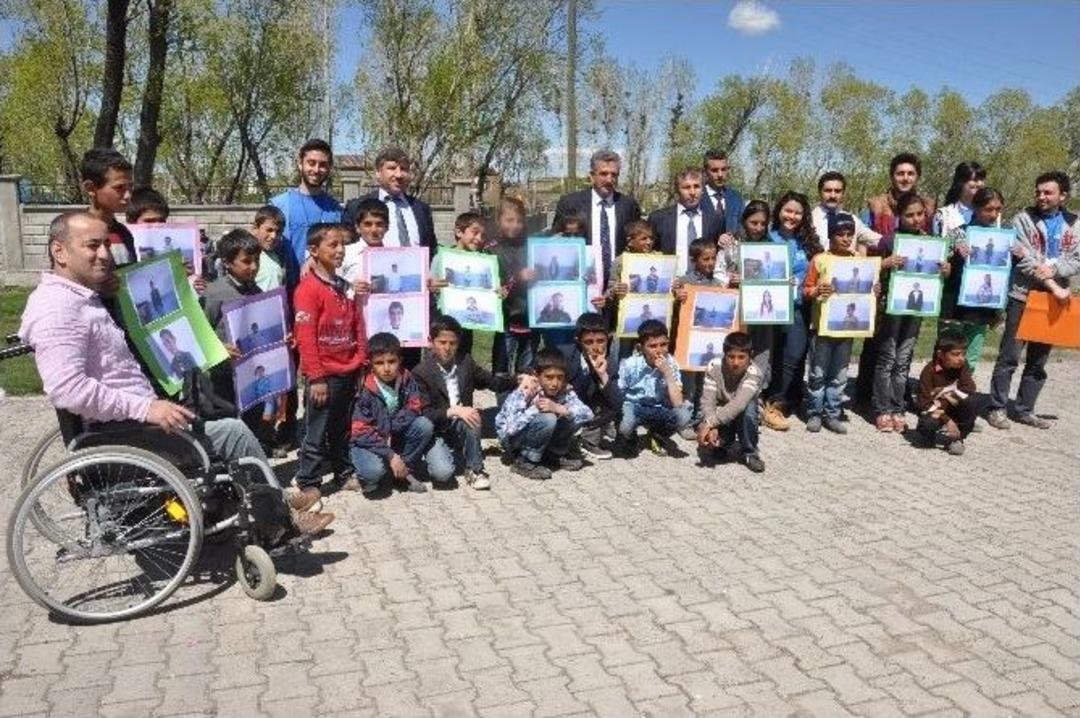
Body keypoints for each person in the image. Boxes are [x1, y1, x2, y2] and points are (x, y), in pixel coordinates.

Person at [17, 210, 333, 535]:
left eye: (106, 245)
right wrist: (147, 407)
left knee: (217, 419)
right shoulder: (58, 309)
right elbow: (67, 389)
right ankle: (279, 521)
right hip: (127, 432)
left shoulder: (83, 297)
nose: (104, 254)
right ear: (59, 251)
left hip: (132, 422)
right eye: (92, 246)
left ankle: (273, 499)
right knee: (232, 432)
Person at [987, 170, 1080, 430]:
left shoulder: (1074, 223)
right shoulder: (1022, 219)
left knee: (1038, 360)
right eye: (1038, 192)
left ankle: (1025, 409)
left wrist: (1055, 270)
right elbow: (1023, 257)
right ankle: (997, 407)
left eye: (1048, 192)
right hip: (1023, 296)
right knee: (1009, 356)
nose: (1041, 197)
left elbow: (1076, 259)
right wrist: (1046, 273)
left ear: (1062, 195)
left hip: (1054, 300)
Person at [293, 223, 368, 506]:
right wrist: (317, 377)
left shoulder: (345, 288)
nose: (339, 251)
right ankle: (309, 481)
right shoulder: (307, 290)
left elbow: (357, 325)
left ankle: (343, 471)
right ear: (314, 251)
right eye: (332, 245)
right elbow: (306, 337)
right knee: (316, 430)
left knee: (342, 428)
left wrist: (361, 361)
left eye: (342, 245)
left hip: (349, 371)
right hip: (324, 376)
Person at [414, 315, 529, 489]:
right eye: (442, 342)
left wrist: (517, 380)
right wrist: (453, 411)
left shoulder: (465, 361)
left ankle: (475, 469)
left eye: (452, 343)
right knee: (442, 474)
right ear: (431, 342)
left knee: (506, 414)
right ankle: (452, 449)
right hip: (438, 429)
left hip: (465, 422)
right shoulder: (421, 372)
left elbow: (491, 382)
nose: (447, 348)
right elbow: (424, 414)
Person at [871, 192, 951, 433]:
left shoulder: (932, 243)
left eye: (920, 214)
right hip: (892, 308)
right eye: (909, 215)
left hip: (915, 309)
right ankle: (882, 409)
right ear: (899, 216)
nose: (916, 220)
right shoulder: (888, 241)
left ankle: (897, 407)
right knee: (887, 358)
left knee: (904, 359)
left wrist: (945, 270)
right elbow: (870, 271)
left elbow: (939, 278)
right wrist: (884, 264)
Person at [201, 228, 284, 456]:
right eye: (246, 261)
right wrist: (218, 348)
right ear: (227, 263)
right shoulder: (215, 293)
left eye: (256, 260)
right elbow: (200, 332)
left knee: (251, 423)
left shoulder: (256, 291)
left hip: (251, 377)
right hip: (221, 378)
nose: (254, 267)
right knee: (226, 426)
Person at [803, 212, 874, 434]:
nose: (845, 239)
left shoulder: (860, 262)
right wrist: (816, 291)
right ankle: (814, 412)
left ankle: (832, 413)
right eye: (840, 234)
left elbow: (868, 291)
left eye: (849, 235)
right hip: (822, 329)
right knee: (818, 372)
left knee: (839, 375)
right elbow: (806, 289)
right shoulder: (820, 260)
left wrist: (874, 290)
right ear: (831, 235)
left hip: (847, 329)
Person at [350, 332, 446, 494]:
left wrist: (391, 427)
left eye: (391, 361)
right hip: (368, 442)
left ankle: (403, 471)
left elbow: (414, 407)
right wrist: (390, 454)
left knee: (424, 425)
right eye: (379, 363)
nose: (386, 368)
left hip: (394, 434)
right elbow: (360, 431)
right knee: (373, 473)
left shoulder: (407, 379)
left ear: (400, 360)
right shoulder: (365, 389)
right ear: (370, 364)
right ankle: (381, 466)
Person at [762, 191, 824, 432]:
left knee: (796, 355)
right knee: (773, 355)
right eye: (788, 210)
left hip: (800, 307)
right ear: (778, 211)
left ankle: (790, 399)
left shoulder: (808, 241)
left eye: (797, 212)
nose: (792, 216)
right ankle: (773, 404)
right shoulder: (768, 238)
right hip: (770, 307)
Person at [495, 347, 594, 480]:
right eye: (549, 377)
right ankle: (525, 462)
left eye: (560, 378)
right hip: (512, 441)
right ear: (536, 375)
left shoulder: (564, 391)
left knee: (569, 416)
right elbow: (509, 429)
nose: (555, 383)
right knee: (548, 418)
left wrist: (560, 408)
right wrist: (535, 409)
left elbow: (588, 414)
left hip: (534, 435)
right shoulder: (526, 391)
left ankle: (553, 454)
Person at [554, 149, 642, 292]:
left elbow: (636, 244)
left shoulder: (629, 206)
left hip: (619, 287)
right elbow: (558, 242)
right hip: (582, 283)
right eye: (603, 174)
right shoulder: (570, 203)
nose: (609, 179)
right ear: (591, 176)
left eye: (614, 174)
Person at [672, 236, 726, 438]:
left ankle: (701, 419)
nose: (710, 263)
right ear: (694, 260)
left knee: (706, 385)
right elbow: (675, 312)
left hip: (709, 343)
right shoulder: (683, 283)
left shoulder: (718, 285)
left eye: (713, 259)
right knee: (688, 385)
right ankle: (684, 422)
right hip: (689, 343)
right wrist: (677, 298)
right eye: (706, 259)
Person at [270, 139, 342, 287]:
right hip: (286, 291)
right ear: (300, 163)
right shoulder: (279, 205)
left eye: (323, 165)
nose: (316, 170)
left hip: (323, 292)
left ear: (329, 168)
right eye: (311, 163)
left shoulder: (335, 209)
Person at [341, 146, 437, 257]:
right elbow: (346, 249)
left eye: (404, 169)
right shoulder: (356, 206)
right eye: (392, 168)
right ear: (378, 172)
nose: (399, 175)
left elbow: (432, 248)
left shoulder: (421, 209)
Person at [616, 319, 693, 457]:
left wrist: (667, 373)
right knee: (625, 424)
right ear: (641, 348)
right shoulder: (630, 365)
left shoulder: (671, 363)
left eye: (663, 345)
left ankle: (657, 435)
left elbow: (678, 403)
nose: (659, 351)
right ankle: (630, 436)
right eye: (652, 346)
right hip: (635, 405)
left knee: (684, 415)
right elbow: (618, 394)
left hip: (660, 407)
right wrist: (623, 418)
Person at [697, 332, 765, 473]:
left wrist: (709, 423)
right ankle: (724, 444)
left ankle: (750, 453)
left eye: (741, 357)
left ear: (750, 355)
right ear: (724, 354)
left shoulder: (755, 372)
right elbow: (708, 400)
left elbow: (739, 404)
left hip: (743, 412)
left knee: (748, 409)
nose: (735, 362)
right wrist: (712, 427)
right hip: (722, 412)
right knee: (715, 444)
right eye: (731, 357)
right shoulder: (714, 366)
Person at [431, 211, 492, 357]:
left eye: (483, 235)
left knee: (464, 358)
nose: (479, 238)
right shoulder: (442, 257)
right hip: (444, 320)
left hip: (467, 322)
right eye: (475, 232)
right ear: (459, 232)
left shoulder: (482, 261)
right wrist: (433, 287)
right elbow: (431, 286)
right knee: (441, 358)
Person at [563, 312, 622, 460]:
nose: (596, 347)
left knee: (613, 402)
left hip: (590, 405)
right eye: (589, 342)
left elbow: (617, 403)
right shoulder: (565, 355)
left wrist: (602, 374)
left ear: (608, 339)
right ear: (578, 342)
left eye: (601, 341)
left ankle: (588, 441)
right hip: (566, 405)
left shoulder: (611, 362)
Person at [492, 196, 540, 374]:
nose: (515, 225)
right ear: (499, 221)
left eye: (519, 221)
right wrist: (517, 278)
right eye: (509, 220)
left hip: (532, 319)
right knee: (501, 371)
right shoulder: (491, 250)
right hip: (506, 320)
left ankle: (523, 402)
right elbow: (491, 285)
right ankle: (502, 401)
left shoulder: (534, 246)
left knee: (527, 371)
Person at [649, 167, 723, 275]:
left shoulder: (715, 220)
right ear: (677, 190)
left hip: (703, 284)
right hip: (670, 284)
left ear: (703, 190)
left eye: (696, 186)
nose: (692, 192)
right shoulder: (659, 218)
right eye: (686, 187)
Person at [915, 335, 977, 455]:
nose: (961, 358)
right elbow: (925, 404)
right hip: (935, 409)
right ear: (940, 354)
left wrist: (946, 392)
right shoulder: (930, 371)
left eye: (963, 354)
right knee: (928, 425)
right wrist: (947, 420)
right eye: (956, 354)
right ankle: (928, 432)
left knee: (971, 401)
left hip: (951, 405)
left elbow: (970, 388)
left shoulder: (962, 366)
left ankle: (957, 438)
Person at [605, 220, 658, 358]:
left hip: (653, 323)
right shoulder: (620, 261)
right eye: (644, 238)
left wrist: (675, 285)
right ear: (630, 241)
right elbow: (609, 291)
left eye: (651, 238)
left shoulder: (660, 258)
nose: (649, 242)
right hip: (627, 322)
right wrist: (615, 290)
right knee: (624, 357)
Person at [81, 148, 136, 269]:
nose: (128, 195)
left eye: (130, 187)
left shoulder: (123, 233)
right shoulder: (76, 233)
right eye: (119, 188)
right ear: (90, 188)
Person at [863, 152, 937, 239]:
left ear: (917, 177)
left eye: (910, 174)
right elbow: (863, 240)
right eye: (900, 174)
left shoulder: (929, 208)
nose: (905, 178)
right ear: (892, 177)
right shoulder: (875, 207)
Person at [811, 171, 881, 253]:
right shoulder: (809, 220)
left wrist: (898, 241)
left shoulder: (852, 219)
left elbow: (877, 240)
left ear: (843, 193)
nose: (833, 195)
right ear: (820, 192)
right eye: (828, 191)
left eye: (837, 191)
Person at [339, 198, 389, 286]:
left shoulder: (393, 255)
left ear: (387, 227)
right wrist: (350, 287)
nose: (374, 230)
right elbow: (332, 287)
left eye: (379, 224)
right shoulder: (344, 253)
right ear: (357, 227)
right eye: (368, 224)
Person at [934, 161, 988, 236]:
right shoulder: (943, 215)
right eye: (975, 180)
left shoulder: (989, 213)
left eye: (981, 180)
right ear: (960, 182)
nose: (979, 184)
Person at [700, 148, 745, 233]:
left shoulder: (736, 198)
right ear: (705, 172)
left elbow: (741, 229)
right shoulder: (697, 198)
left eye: (723, 169)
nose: (720, 175)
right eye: (714, 170)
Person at [250, 205, 287, 292]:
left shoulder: (278, 255)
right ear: (255, 229)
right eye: (269, 230)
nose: (273, 236)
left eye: (278, 232)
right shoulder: (248, 257)